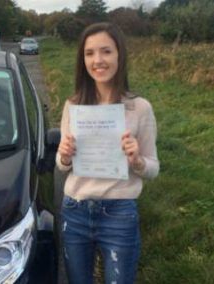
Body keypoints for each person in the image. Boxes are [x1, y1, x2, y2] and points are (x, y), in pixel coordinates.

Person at [56, 22, 160, 284]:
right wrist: (65, 155)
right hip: (74, 210)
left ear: (119, 55)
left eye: (106, 51)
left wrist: (136, 160)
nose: (98, 60)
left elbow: (153, 168)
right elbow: (62, 165)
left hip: (119, 213)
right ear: (83, 60)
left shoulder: (140, 108)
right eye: (90, 53)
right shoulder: (73, 105)